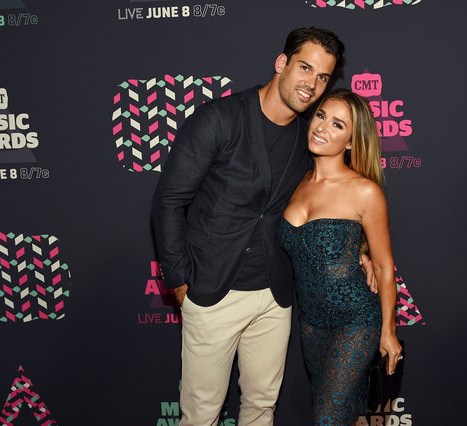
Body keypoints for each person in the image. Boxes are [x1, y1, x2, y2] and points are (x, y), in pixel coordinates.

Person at [152, 28, 374, 426]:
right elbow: (169, 201)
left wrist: (359, 250)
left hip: (274, 298)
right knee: (201, 414)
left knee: (261, 408)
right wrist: (180, 281)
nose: (312, 84)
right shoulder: (219, 119)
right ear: (281, 63)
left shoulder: (309, 137)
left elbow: (334, 197)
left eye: (323, 77)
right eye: (305, 68)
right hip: (212, 291)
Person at [279, 88, 403, 425]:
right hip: (311, 326)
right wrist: (358, 251)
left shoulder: (365, 191)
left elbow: (383, 266)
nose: (322, 127)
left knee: (327, 418)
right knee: (341, 417)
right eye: (321, 116)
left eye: (338, 125)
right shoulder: (295, 180)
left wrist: (388, 330)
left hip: (355, 321)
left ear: (351, 141)